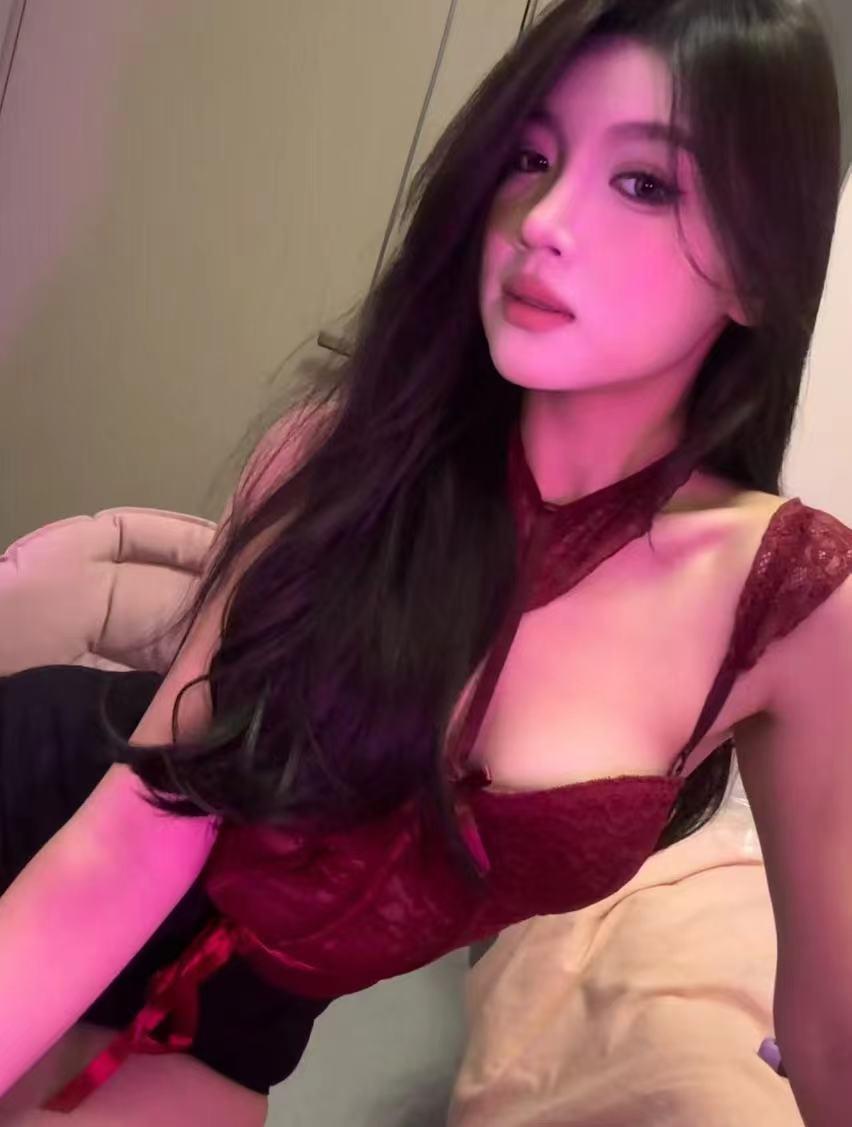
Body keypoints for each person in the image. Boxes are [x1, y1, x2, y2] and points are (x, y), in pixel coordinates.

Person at [1, 0, 849, 1122]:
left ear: (757, 272)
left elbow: (832, 1026)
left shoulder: (792, 603)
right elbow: (130, 844)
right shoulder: (340, 452)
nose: (543, 219)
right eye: (530, 157)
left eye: (645, 182)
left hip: (243, 1011)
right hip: (49, 823)